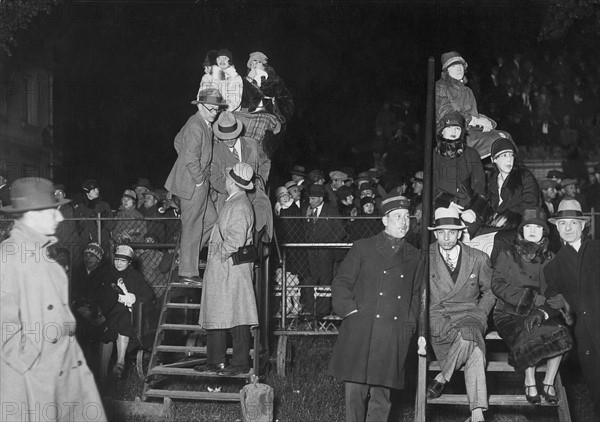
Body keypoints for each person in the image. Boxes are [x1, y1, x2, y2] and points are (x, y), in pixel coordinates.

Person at [0, 177, 106, 421]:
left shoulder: (45, 257)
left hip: (65, 373)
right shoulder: (11, 256)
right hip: (35, 382)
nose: (60, 218)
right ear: (32, 214)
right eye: (53, 211)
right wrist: (33, 365)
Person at [328, 195, 421, 422]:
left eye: (407, 217)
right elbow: (341, 283)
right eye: (397, 217)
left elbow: (416, 295)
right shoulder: (363, 248)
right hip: (361, 327)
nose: (404, 222)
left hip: (392, 331)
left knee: (382, 397)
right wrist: (350, 311)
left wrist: (407, 327)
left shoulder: (415, 256)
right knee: (355, 394)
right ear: (384, 220)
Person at [492, 208, 573, 406]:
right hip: (508, 313)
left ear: (544, 232)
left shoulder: (550, 257)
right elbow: (497, 284)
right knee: (529, 331)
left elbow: (554, 289)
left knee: (562, 333)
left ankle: (548, 382)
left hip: (539, 312)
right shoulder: (508, 253)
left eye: (538, 227)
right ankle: (529, 381)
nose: (533, 230)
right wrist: (529, 299)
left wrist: (544, 309)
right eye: (528, 226)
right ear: (521, 230)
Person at [426, 206, 495, 422]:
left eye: (451, 232)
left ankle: (441, 377)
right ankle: (477, 413)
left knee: (469, 331)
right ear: (435, 233)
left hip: (471, 315)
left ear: (460, 232)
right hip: (441, 318)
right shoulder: (425, 258)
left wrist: (481, 312)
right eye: (441, 232)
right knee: (475, 350)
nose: (446, 237)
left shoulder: (478, 258)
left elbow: (491, 290)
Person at [196, 163, 258, 376]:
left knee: (237, 314)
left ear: (231, 181)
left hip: (230, 268)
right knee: (218, 313)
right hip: (224, 269)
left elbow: (235, 240)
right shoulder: (233, 202)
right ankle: (215, 361)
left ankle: (240, 363)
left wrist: (218, 254)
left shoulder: (239, 205)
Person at [539, 200, 600, 413]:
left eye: (573, 223)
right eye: (563, 223)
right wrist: (548, 309)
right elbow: (553, 299)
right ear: (557, 227)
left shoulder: (597, 249)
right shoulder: (553, 268)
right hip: (587, 338)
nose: (568, 228)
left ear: (582, 226)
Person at [164, 88, 223, 284]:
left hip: (198, 182)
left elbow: (178, 141)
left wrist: (189, 162)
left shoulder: (202, 124)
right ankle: (188, 273)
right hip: (193, 185)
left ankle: (187, 257)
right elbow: (190, 157)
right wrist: (198, 179)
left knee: (212, 219)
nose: (215, 112)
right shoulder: (196, 125)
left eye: (217, 109)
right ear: (200, 106)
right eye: (212, 109)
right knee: (192, 226)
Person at [209, 111, 272, 237]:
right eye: (224, 138)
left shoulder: (252, 144)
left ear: (237, 132)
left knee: (262, 224)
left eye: (231, 136)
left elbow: (265, 162)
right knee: (232, 234)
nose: (228, 141)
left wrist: (260, 181)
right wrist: (233, 190)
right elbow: (215, 178)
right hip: (229, 199)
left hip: (254, 195)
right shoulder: (216, 151)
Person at [97, 244, 154, 379]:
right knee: (108, 328)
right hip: (110, 310)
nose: (118, 263)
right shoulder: (109, 274)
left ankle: (120, 361)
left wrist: (133, 298)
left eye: (123, 261)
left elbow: (148, 295)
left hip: (128, 312)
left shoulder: (135, 276)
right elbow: (101, 293)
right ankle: (103, 371)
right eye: (117, 259)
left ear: (129, 262)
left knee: (123, 321)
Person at [436, 51, 504, 159]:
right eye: (453, 66)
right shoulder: (440, 87)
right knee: (500, 141)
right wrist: (473, 120)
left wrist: (486, 122)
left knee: (504, 137)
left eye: (460, 65)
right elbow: (445, 112)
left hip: (471, 130)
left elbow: (474, 114)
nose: (459, 69)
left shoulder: (467, 91)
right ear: (446, 70)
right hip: (454, 133)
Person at [302, 184, 347, 318]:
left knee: (325, 279)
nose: (311, 201)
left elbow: (340, 231)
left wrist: (329, 244)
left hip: (326, 251)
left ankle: (323, 310)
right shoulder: (308, 210)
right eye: (310, 198)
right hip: (311, 251)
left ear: (321, 198)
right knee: (312, 278)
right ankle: (311, 308)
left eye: (314, 199)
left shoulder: (331, 211)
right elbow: (304, 231)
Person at [486, 135, 540, 231]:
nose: (509, 159)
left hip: (517, 227)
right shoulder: (489, 179)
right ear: (493, 159)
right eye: (504, 155)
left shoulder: (524, 176)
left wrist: (509, 216)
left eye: (511, 155)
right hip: (491, 227)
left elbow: (531, 203)